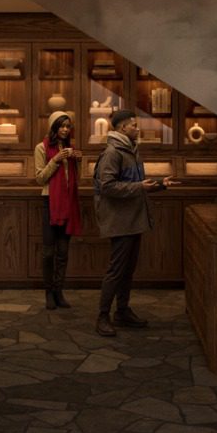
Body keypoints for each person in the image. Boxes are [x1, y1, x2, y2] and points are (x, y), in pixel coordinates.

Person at [93, 108, 171, 337]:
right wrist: (140, 186)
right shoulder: (112, 153)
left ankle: (122, 311)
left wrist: (159, 185)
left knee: (127, 270)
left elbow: (136, 184)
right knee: (116, 270)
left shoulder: (131, 149)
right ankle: (103, 316)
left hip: (133, 219)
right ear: (122, 128)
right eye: (133, 125)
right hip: (120, 221)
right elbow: (107, 186)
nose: (137, 128)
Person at [34, 110, 82, 309]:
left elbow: (75, 179)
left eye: (68, 126)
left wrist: (77, 160)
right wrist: (55, 160)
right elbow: (40, 178)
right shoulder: (41, 147)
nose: (65, 129)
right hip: (50, 202)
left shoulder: (71, 147)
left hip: (67, 203)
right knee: (48, 252)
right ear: (53, 127)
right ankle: (48, 293)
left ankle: (58, 291)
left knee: (63, 252)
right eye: (61, 126)